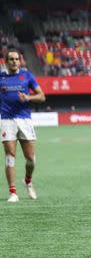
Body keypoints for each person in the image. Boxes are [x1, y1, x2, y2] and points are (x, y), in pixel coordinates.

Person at [0, 48, 46, 202]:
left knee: (31, 159)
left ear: (20, 61)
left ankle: (27, 180)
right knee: (9, 157)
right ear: (6, 62)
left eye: (16, 59)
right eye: (11, 59)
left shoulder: (27, 75)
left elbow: (41, 96)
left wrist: (28, 97)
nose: (14, 62)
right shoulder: (1, 77)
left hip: (24, 120)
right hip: (7, 121)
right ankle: (13, 193)